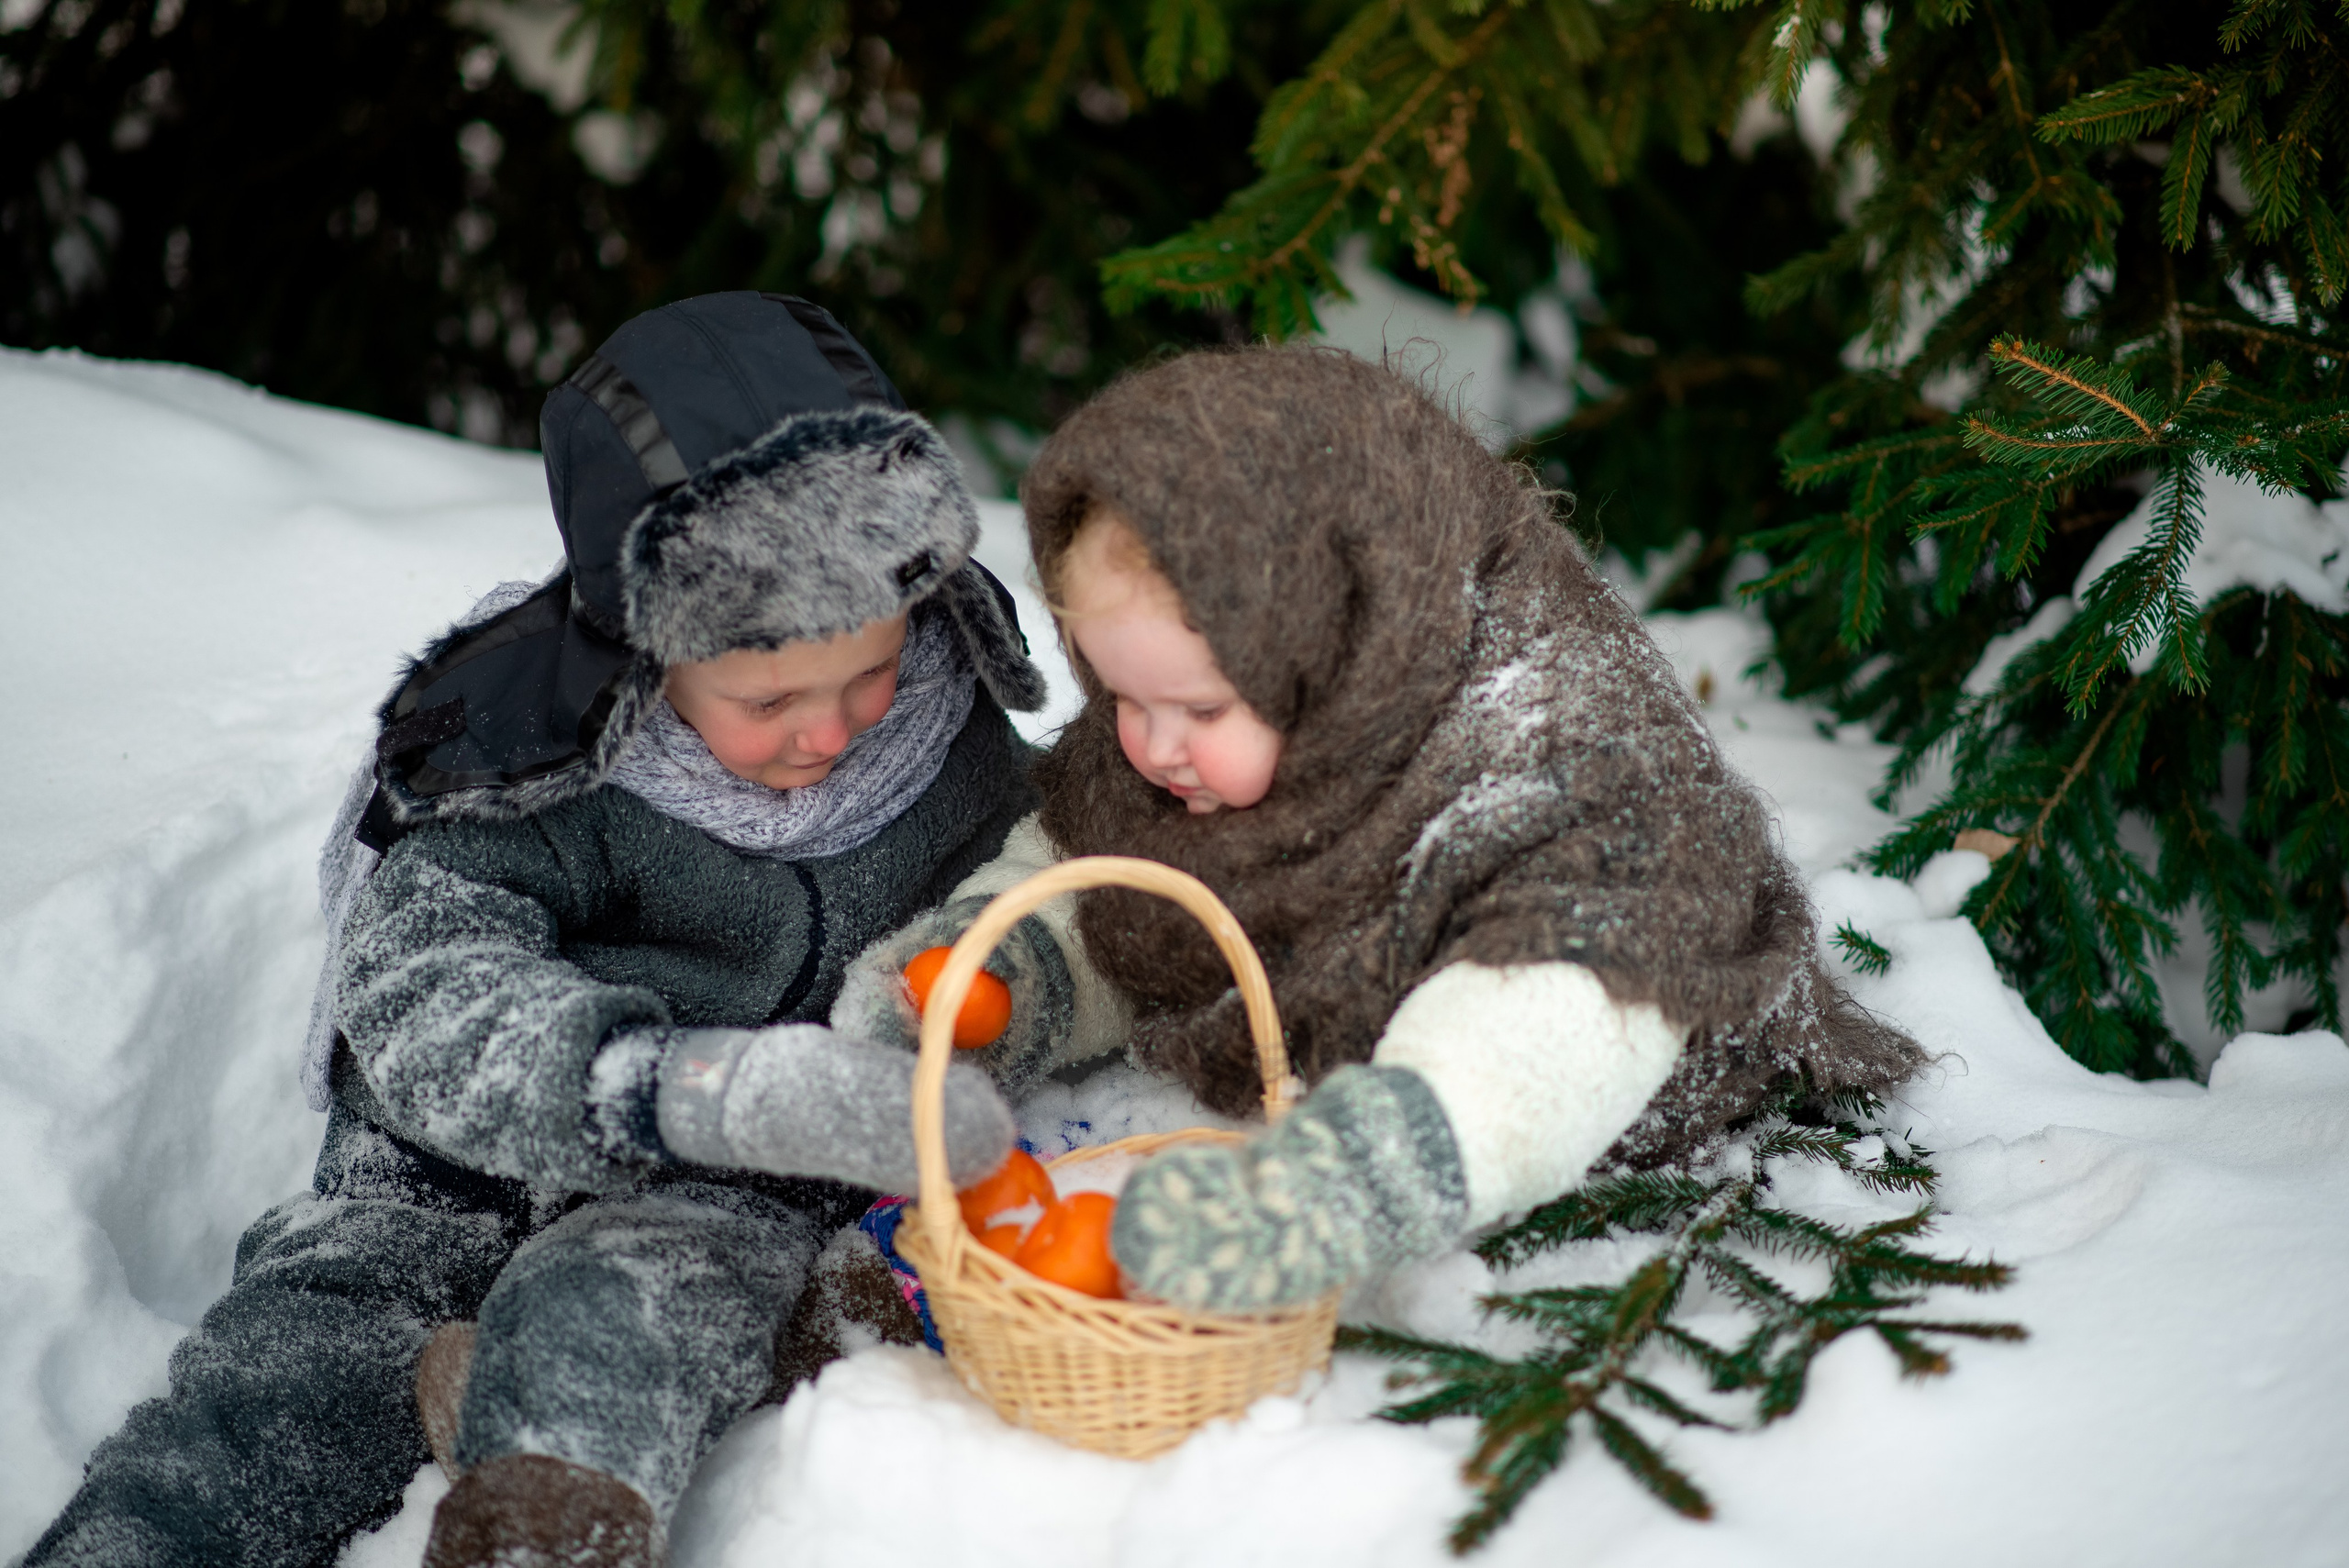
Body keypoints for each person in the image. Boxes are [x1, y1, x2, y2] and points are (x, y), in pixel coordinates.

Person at [27, 293, 1043, 1568]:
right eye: (767, 697)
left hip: (713, 1188)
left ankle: (537, 1516)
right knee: (287, 1376)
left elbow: (1032, 892)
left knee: (625, 1317)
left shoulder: (950, 738)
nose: (832, 732)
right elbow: (419, 986)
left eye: (869, 677)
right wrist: (655, 1084)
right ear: (647, 649)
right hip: (451, 1163)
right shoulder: (534, 748)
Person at [831, 343, 1922, 1315]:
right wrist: (1007, 974)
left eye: (1202, 708)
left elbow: (1565, 1003)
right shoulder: (1178, 752)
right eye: (1119, 695)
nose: (1153, 746)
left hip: (1597, 1141)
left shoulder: (1565, 758)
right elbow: (1114, 875)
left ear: (1338, 648)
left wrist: (1340, 1184)